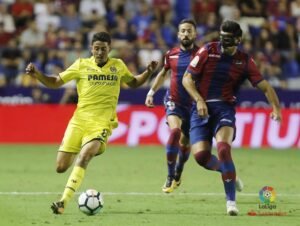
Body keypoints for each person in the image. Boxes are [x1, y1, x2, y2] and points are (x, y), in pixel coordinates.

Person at [25, 31, 158, 214]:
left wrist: (148, 72)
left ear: (109, 49)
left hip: (102, 123)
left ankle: (63, 201)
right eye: (96, 48)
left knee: (84, 156)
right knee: (61, 167)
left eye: (103, 49)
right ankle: (83, 150)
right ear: (91, 49)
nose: (100, 52)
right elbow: (56, 82)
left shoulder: (117, 65)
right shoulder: (81, 64)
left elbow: (134, 83)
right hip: (79, 121)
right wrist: (37, 74)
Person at [182, 20, 282, 216]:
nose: (223, 41)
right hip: (200, 108)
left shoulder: (244, 60)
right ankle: (229, 173)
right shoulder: (207, 50)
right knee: (201, 157)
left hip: (224, 108)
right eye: (221, 36)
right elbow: (187, 79)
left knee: (223, 148)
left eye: (228, 38)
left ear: (238, 39)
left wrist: (276, 109)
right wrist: (199, 100)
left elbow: (265, 87)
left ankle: (231, 202)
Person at [145, 19, 198, 193]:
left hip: (193, 105)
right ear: (178, 34)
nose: (185, 34)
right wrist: (151, 92)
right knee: (175, 131)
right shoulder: (171, 54)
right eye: (182, 31)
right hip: (173, 100)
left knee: (185, 142)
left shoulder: (202, 55)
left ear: (194, 34)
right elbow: (163, 73)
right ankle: (169, 176)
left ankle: (178, 171)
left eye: (189, 31)